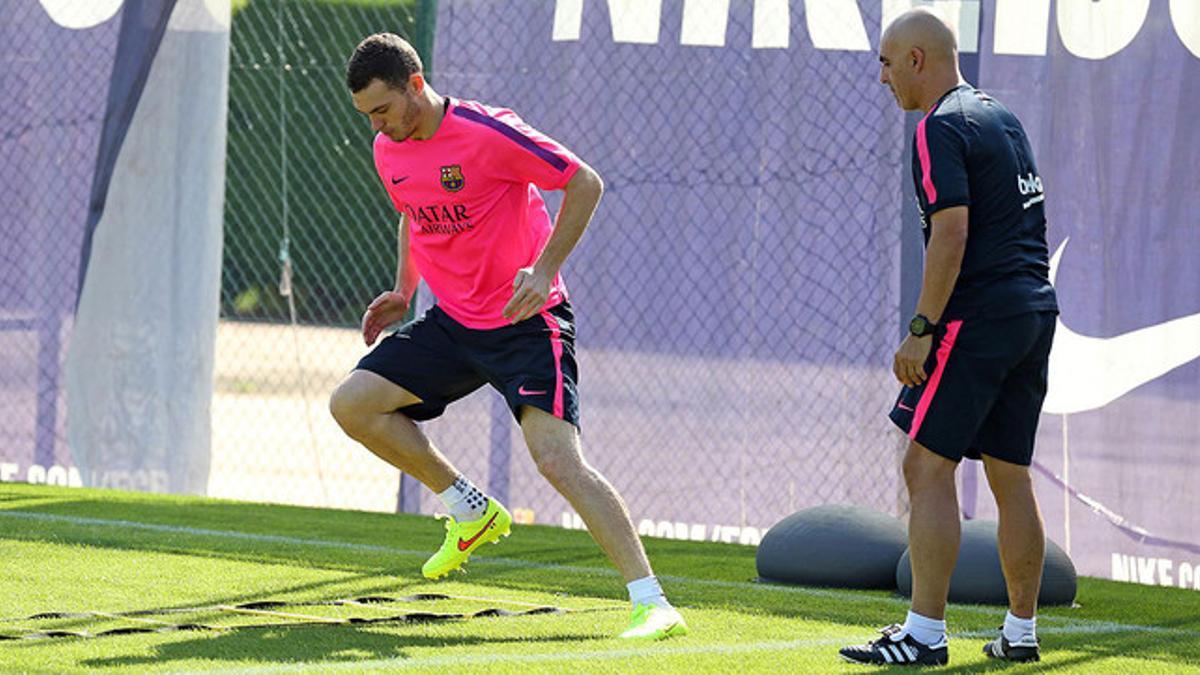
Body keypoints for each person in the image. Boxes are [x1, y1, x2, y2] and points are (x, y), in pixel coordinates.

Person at [327, 33, 687, 641]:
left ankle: (652, 602)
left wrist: (543, 269)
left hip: (526, 322)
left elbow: (585, 183)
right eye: (368, 116)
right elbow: (413, 216)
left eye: (384, 109)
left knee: (556, 461)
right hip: (452, 323)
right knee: (351, 404)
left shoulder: (487, 132)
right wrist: (402, 289)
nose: (379, 127)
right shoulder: (388, 148)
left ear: (416, 85)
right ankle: (469, 507)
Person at [839, 9, 1059, 666]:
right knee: (1010, 475)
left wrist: (921, 330)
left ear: (916, 60)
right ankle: (1020, 634)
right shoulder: (1001, 116)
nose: (880, 77)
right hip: (1032, 311)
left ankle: (924, 634)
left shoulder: (939, 126)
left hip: (979, 316)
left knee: (924, 465)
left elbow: (953, 233)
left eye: (885, 62)